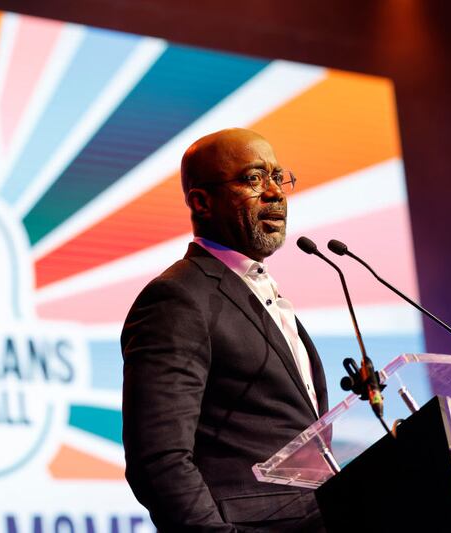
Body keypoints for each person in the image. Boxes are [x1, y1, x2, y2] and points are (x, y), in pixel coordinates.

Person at [121, 128, 328, 532]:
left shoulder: (262, 292)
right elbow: (158, 458)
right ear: (202, 201)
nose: (275, 192)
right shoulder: (178, 298)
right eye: (253, 179)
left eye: (278, 177)